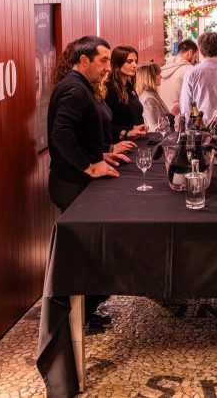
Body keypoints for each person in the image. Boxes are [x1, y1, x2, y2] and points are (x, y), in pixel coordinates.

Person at [47, 36, 132, 331]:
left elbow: (81, 134)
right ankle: (77, 318)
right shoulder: (74, 89)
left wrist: (103, 152)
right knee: (87, 252)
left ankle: (85, 312)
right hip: (71, 184)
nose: (108, 67)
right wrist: (89, 166)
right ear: (84, 61)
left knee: (92, 251)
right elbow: (61, 134)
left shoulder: (81, 86)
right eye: (103, 60)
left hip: (77, 181)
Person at [104, 46, 149, 143]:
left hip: (137, 142)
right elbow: (104, 125)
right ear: (117, 63)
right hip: (119, 145)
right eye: (129, 62)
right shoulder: (109, 88)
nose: (134, 65)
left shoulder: (129, 86)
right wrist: (126, 133)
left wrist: (139, 128)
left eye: (135, 61)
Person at [159, 39, 198, 116]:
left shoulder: (165, 67)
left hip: (164, 116)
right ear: (190, 53)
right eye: (195, 57)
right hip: (181, 117)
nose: (194, 61)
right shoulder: (189, 70)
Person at [135, 62, 171, 131]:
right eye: (158, 74)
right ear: (150, 77)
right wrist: (172, 115)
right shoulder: (148, 99)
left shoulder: (152, 95)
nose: (161, 77)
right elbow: (157, 128)